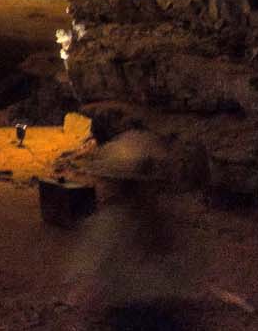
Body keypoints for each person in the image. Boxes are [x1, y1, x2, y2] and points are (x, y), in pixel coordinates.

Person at [68, 130, 205, 331]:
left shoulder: (111, 224)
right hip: (158, 311)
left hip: (131, 313)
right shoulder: (163, 220)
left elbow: (91, 277)